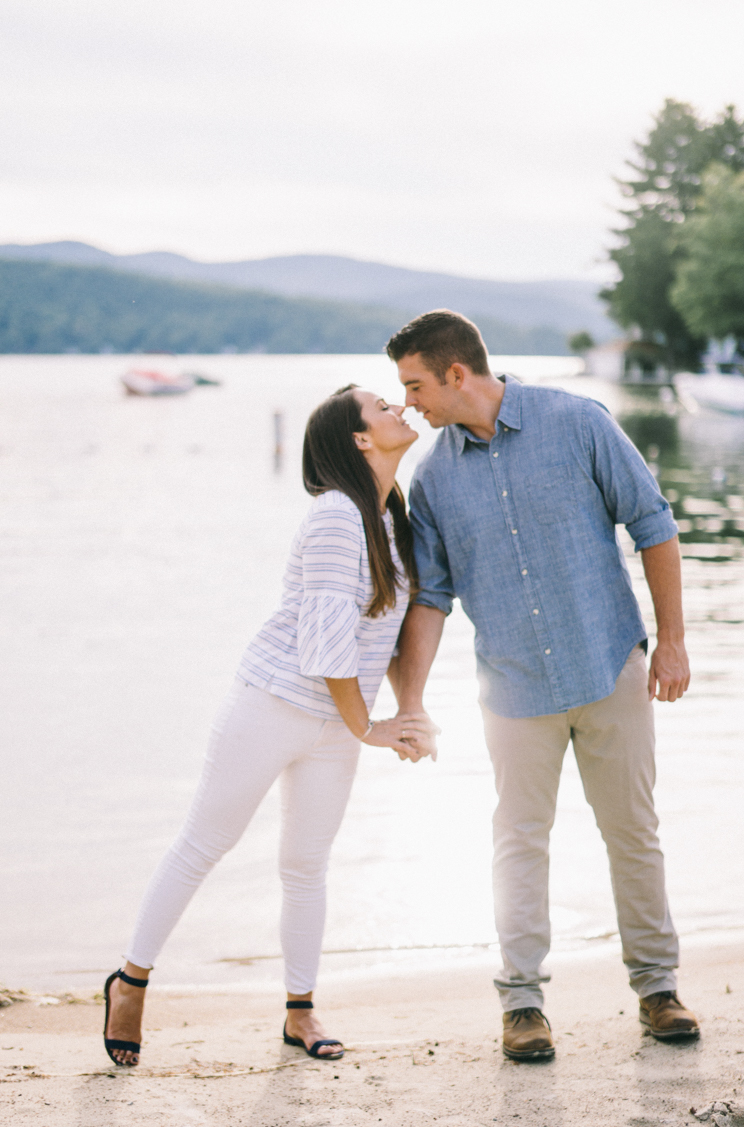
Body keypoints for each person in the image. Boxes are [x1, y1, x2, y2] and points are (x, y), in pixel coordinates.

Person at [384, 310, 700, 1061]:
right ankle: (522, 1003)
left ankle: (657, 990)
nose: (409, 403)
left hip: (608, 664)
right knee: (518, 842)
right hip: (513, 689)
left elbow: (654, 525)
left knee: (633, 833)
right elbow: (432, 597)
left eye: (415, 384)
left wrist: (674, 643)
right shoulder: (432, 478)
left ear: (457, 374)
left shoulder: (577, 422)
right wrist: (411, 701)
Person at [102, 385, 436, 1067]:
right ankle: (131, 981)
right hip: (272, 705)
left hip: (337, 723)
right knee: (203, 844)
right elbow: (326, 647)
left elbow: (387, 640)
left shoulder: (392, 519)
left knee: (306, 867)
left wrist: (408, 712)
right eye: (381, 406)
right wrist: (370, 728)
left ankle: (300, 1013)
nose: (398, 407)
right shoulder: (337, 517)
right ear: (359, 440)